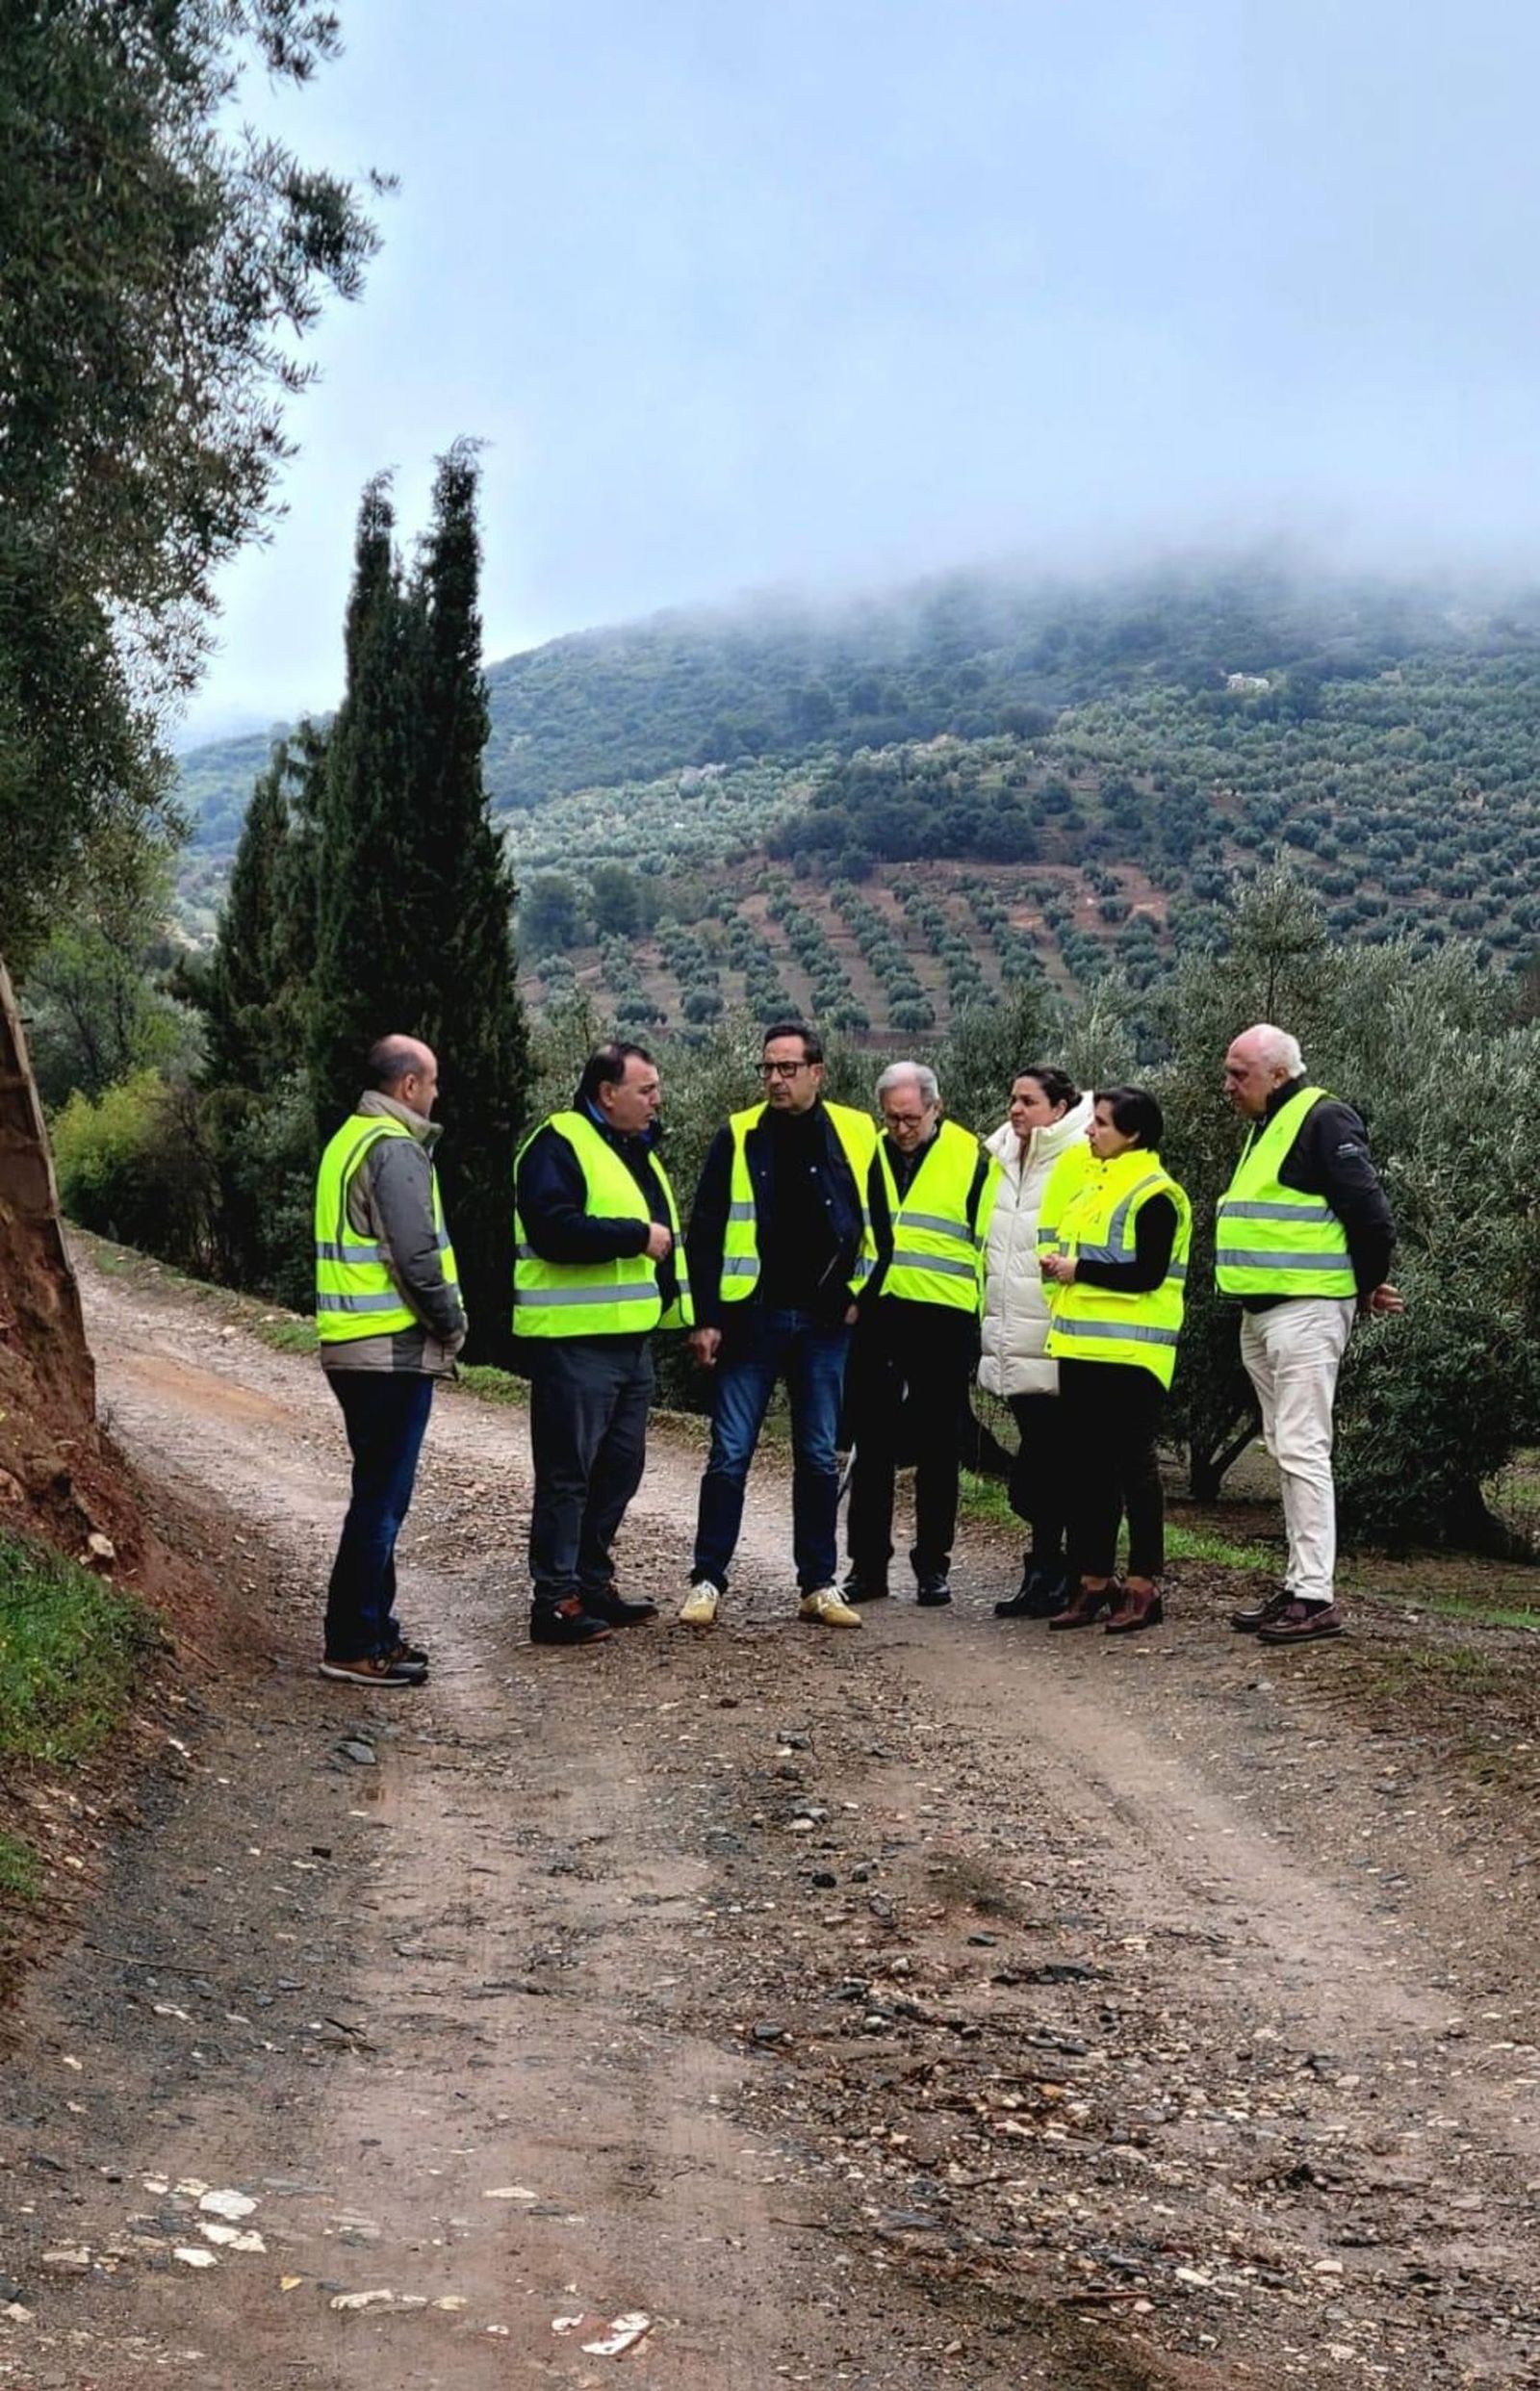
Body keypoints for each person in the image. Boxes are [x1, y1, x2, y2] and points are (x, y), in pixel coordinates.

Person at [680, 1020, 886, 1629]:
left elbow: (880, 1228)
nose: (774, 1079)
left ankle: (817, 1585)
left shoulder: (856, 1132)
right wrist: (707, 1319)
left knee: (819, 1456)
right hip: (752, 1318)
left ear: (817, 1073)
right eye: (767, 1068)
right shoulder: (739, 1134)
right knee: (730, 1453)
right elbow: (707, 1231)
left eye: (787, 1068)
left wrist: (858, 1296)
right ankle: (708, 1580)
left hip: (825, 1324)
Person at [1218, 1023, 1402, 1646]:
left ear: (1278, 1072)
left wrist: (1364, 1284)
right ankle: (1299, 1583)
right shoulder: (1269, 1126)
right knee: (1286, 1446)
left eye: (1239, 1073)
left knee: (1301, 1447)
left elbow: (1370, 1214)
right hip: (1266, 1312)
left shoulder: (1322, 1119)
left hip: (1305, 1312)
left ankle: (1316, 1594)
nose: (1228, 1085)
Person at [513, 1041, 692, 1646]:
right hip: (573, 1343)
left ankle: (591, 1582)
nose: (656, 1099)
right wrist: (634, 1235)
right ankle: (554, 1600)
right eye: (646, 1089)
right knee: (568, 1474)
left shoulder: (633, 1148)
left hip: (628, 1344)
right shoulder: (558, 1142)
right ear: (606, 1092)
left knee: (621, 1468)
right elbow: (552, 1230)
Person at [315, 1035, 467, 1688]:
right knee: (380, 1501)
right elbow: (415, 1260)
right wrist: (452, 1324)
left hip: (354, 1347)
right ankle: (353, 1641)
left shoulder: (348, 1140)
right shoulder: (394, 1149)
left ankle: (376, 1629)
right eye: (431, 1082)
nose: (436, 1094)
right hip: (390, 1351)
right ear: (408, 1086)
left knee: (378, 1493)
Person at [842, 1062, 998, 1608]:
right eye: (892, 1118)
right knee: (872, 1445)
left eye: (911, 1117)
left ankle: (933, 1566)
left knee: (939, 1447)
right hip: (880, 1311)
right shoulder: (868, 1153)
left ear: (936, 1108)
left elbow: (991, 1244)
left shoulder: (973, 1160)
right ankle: (867, 1567)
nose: (902, 1128)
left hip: (945, 1316)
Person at [1040, 1086, 1191, 1635]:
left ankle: (1145, 1586)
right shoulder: (1091, 1185)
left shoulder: (1157, 1193)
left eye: (1100, 1124)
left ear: (1134, 1135)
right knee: (1086, 1470)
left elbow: (1147, 1273)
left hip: (1132, 1355)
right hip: (1081, 1348)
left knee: (1134, 1470)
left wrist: (1075, 1269)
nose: (1089, 1130)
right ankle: (1093, 1583)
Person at [978, 1065, 1096, 1620]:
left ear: (1060, 1107)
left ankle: (1064, 1572)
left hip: (1055, 1337)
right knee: (1041, 1464)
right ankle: (1047, 1569)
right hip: (1013, 1334)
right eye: (1012, 1099)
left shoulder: (1079, 1157)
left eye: (1028, 1101)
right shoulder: (1004, 1159)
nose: (1016, 1110)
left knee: (1055, 1465)